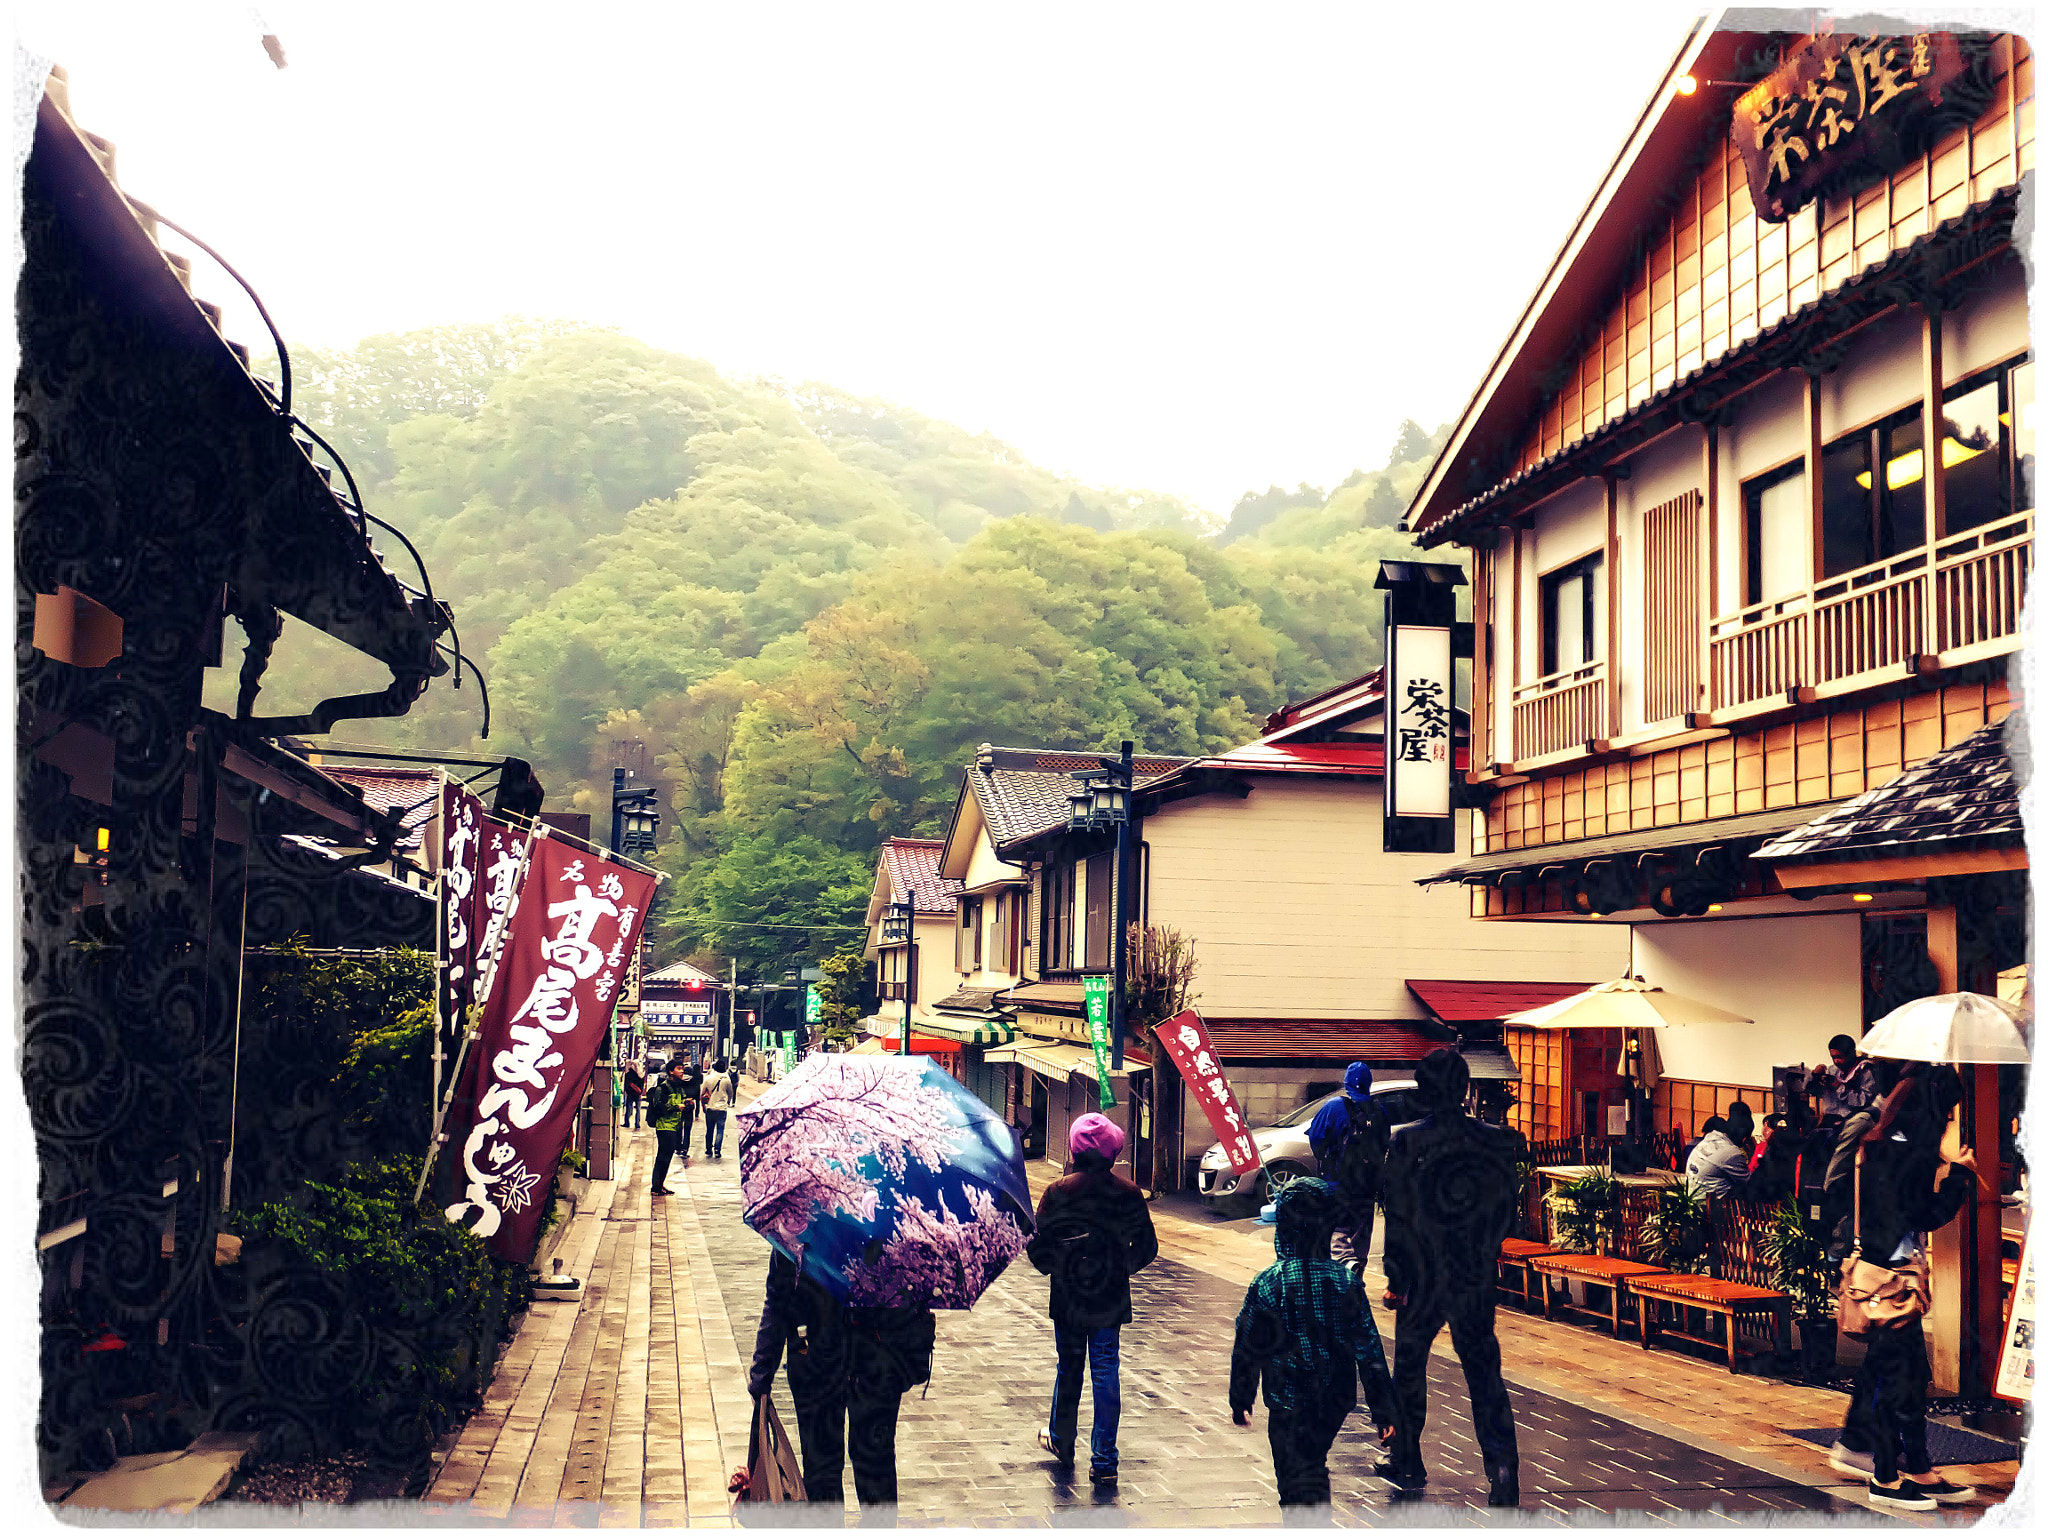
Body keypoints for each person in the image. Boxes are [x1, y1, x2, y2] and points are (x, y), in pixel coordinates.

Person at [1379, 1047, 1522, 1507]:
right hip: (1473, 1276)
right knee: (1484, 1375)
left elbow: (1398, 1217)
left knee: (1410, 1372)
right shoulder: (1497, 1141)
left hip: (1420, 1276)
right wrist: (1486, 1253)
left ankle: (1407, 1457)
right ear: (1464, 1088)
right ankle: (1501, 1469)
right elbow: (1507, 1211)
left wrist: (1396, 1279)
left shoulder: (1405, 1143)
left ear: (1423, 1091)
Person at [1228, 1176, 1395, 1509]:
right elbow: (1369, 1350)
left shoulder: (1268, 1283)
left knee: (1291, 1474)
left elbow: (1248, 1346)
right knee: (1313, 1460)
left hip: (1286, 1397)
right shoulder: (1346, 1282)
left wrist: (1241, 1397)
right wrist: (1383, 1409)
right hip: (1333, 1398)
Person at [1026, 1112, 1158, 1488]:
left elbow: (1037, 1248)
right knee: (1105, 1371)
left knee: (1069, 1368)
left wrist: (1060, 1267)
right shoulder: (1129, 1194)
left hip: (1068, 1298)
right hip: (1109, 1298)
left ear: (1074, 1149)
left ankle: (1062, 1441)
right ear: (1113, 1150)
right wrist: (1120, 1268)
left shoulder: (1058, 1192)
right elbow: (1148, 1246)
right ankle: (1104, 1460)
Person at [747, 1248, 936, 1506]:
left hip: (868, 1365)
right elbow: (779, 1295)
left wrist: (762, 1372)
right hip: (826, 1364)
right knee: (837, 1471)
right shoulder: (798, 1222)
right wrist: (762, 1371)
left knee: (868, 1467)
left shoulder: (801, 1220)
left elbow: (778, 1298)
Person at [1307, 1062, 1389, 1276]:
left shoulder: (1334, 1106)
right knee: (1360, 1239)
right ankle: (1356, 1281)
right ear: (1369, 1083)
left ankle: (1345, 1266)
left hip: (1337, 1186)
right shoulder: (1380, 1111)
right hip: (1367, 1188)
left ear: (1346, 1082)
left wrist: (1327, 1161)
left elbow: (1316, 1139)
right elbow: (1383, 1145)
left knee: (1336, 1233)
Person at [1684, 1101, 1755, 1197]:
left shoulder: (1710, 1137)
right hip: (1709, 1206)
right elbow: (1749, 1183)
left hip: (1690, 1196)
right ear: (1744, 1138)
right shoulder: (1732, 1153)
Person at [1808, 1034, 1880, 1120]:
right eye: (1833, 1057)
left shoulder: (1865, 1071)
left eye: (1839, 1057)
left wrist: (1839, 1087)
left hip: (1854, 1120)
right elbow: (1813, 1091)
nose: (1836, 1061)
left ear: (1851, 1054)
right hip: (1831, 1119)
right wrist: (1815, 1076)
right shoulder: (1833, 1070)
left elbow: (1864, 1101)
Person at [646, 1058, 689, 1196]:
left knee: (668, 1156)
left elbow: (680, 1103)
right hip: (664, 1126)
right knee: (663, 1156)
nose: (682, 1071)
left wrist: (687, 1103)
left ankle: (660, 1185)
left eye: (682, 1068)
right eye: (678, 1069)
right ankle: (655, 1186)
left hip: (675, 1126)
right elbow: (658, 1106)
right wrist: (676, 1106)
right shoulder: (663, 1088)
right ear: (671, 1071)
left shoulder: (679, 1087)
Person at [701, 1056, 735, 1159]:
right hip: (722, 1109)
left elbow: (702, 1094)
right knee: (720, 1130)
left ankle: (708, 1149)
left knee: (709, 1129)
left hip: (710, 1108)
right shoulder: (727, 1080)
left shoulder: (708, 1079)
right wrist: (727, 1101)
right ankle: (717, 1150)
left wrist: (703, 1106)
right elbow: (730, 1093)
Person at [676, 1053, 705, 1160]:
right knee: (687, 1129)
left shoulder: (678, 1081)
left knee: (679, 1127)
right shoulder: (694, 1082)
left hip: (679, 1106)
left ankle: (678, 1147)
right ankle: (685, 1149)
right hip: (690, 1106)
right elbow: (696, 1093)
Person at [622, 1056, 648, 1132]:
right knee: (638, 1109)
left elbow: (627, 1083)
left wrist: (627, 1090)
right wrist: (640, 1090)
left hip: (630, 1093)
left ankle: (627, 1122)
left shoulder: (629, 1073)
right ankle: (637, 1123)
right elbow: (642, 1083)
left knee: (629, 1108)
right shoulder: (641, 1074)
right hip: (637, 1094)